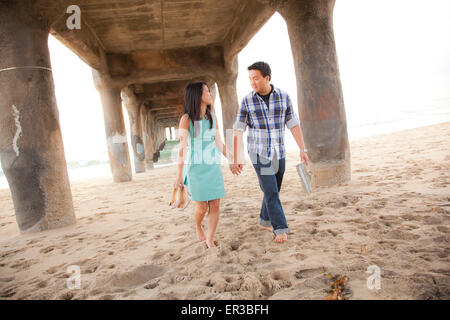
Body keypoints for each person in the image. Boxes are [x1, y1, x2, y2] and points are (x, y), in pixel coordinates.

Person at [231, 61, 309, 243]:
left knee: (274, 189)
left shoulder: (283, 96)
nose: (253, 83)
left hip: (278, 151)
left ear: (267, 78)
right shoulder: (247, 101)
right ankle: (280, 228)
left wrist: (302, 149)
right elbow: (238, 129)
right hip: (258, 152)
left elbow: (293, 124)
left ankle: (264, 220)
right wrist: (236, 156)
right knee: (271, 190)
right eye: (250, 79)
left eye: (256, 78)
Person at [174, 81, 234, 248]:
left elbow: (219, 143)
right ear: (197, 96)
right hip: (195, 168)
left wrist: (232, 158)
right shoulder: (186, 120)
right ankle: (198, 225)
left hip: (212, 167)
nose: (210, 94)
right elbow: (182, 149)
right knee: (201, 208)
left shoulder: (212, 117)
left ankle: (209, 238)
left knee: (215, 204)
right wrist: (179, 175)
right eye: (207, 91)